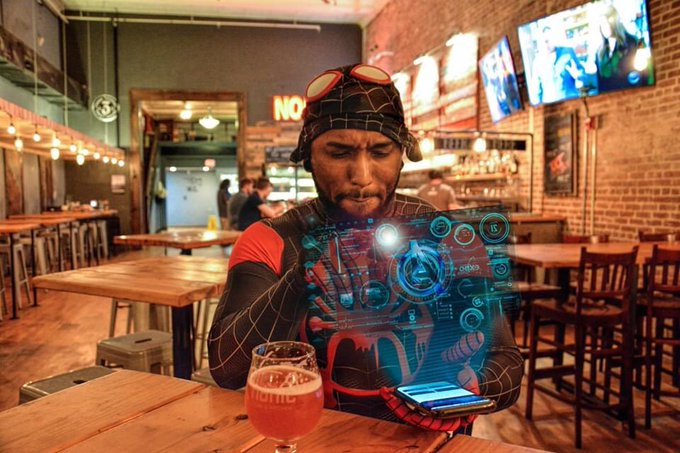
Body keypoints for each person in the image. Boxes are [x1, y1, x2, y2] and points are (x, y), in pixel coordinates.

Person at [209, 64, 522, 432]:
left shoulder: (448, 236)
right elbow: (226, 368)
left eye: (380, 151)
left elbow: (506, 361)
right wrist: (300, 278)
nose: (361, 176)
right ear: (309, 158)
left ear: (401, 154)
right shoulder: (271, 240)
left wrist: (471, 387)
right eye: (339, 152)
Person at [594, 4, 650, 93]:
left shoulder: (636, 42)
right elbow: (600, 84)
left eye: (606, 23)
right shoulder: (599, 52)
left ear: (615, 23)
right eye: (601, 25)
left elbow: (646, 75)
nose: (604, 27)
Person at [530, 25, 587, 104]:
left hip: (572, 102)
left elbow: (584, 75)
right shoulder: (537, 62)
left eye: (548, 40)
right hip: (551, 106)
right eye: (544, 41)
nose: (546, 44)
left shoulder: (568, 52)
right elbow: (536, 92)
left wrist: (577, 75)